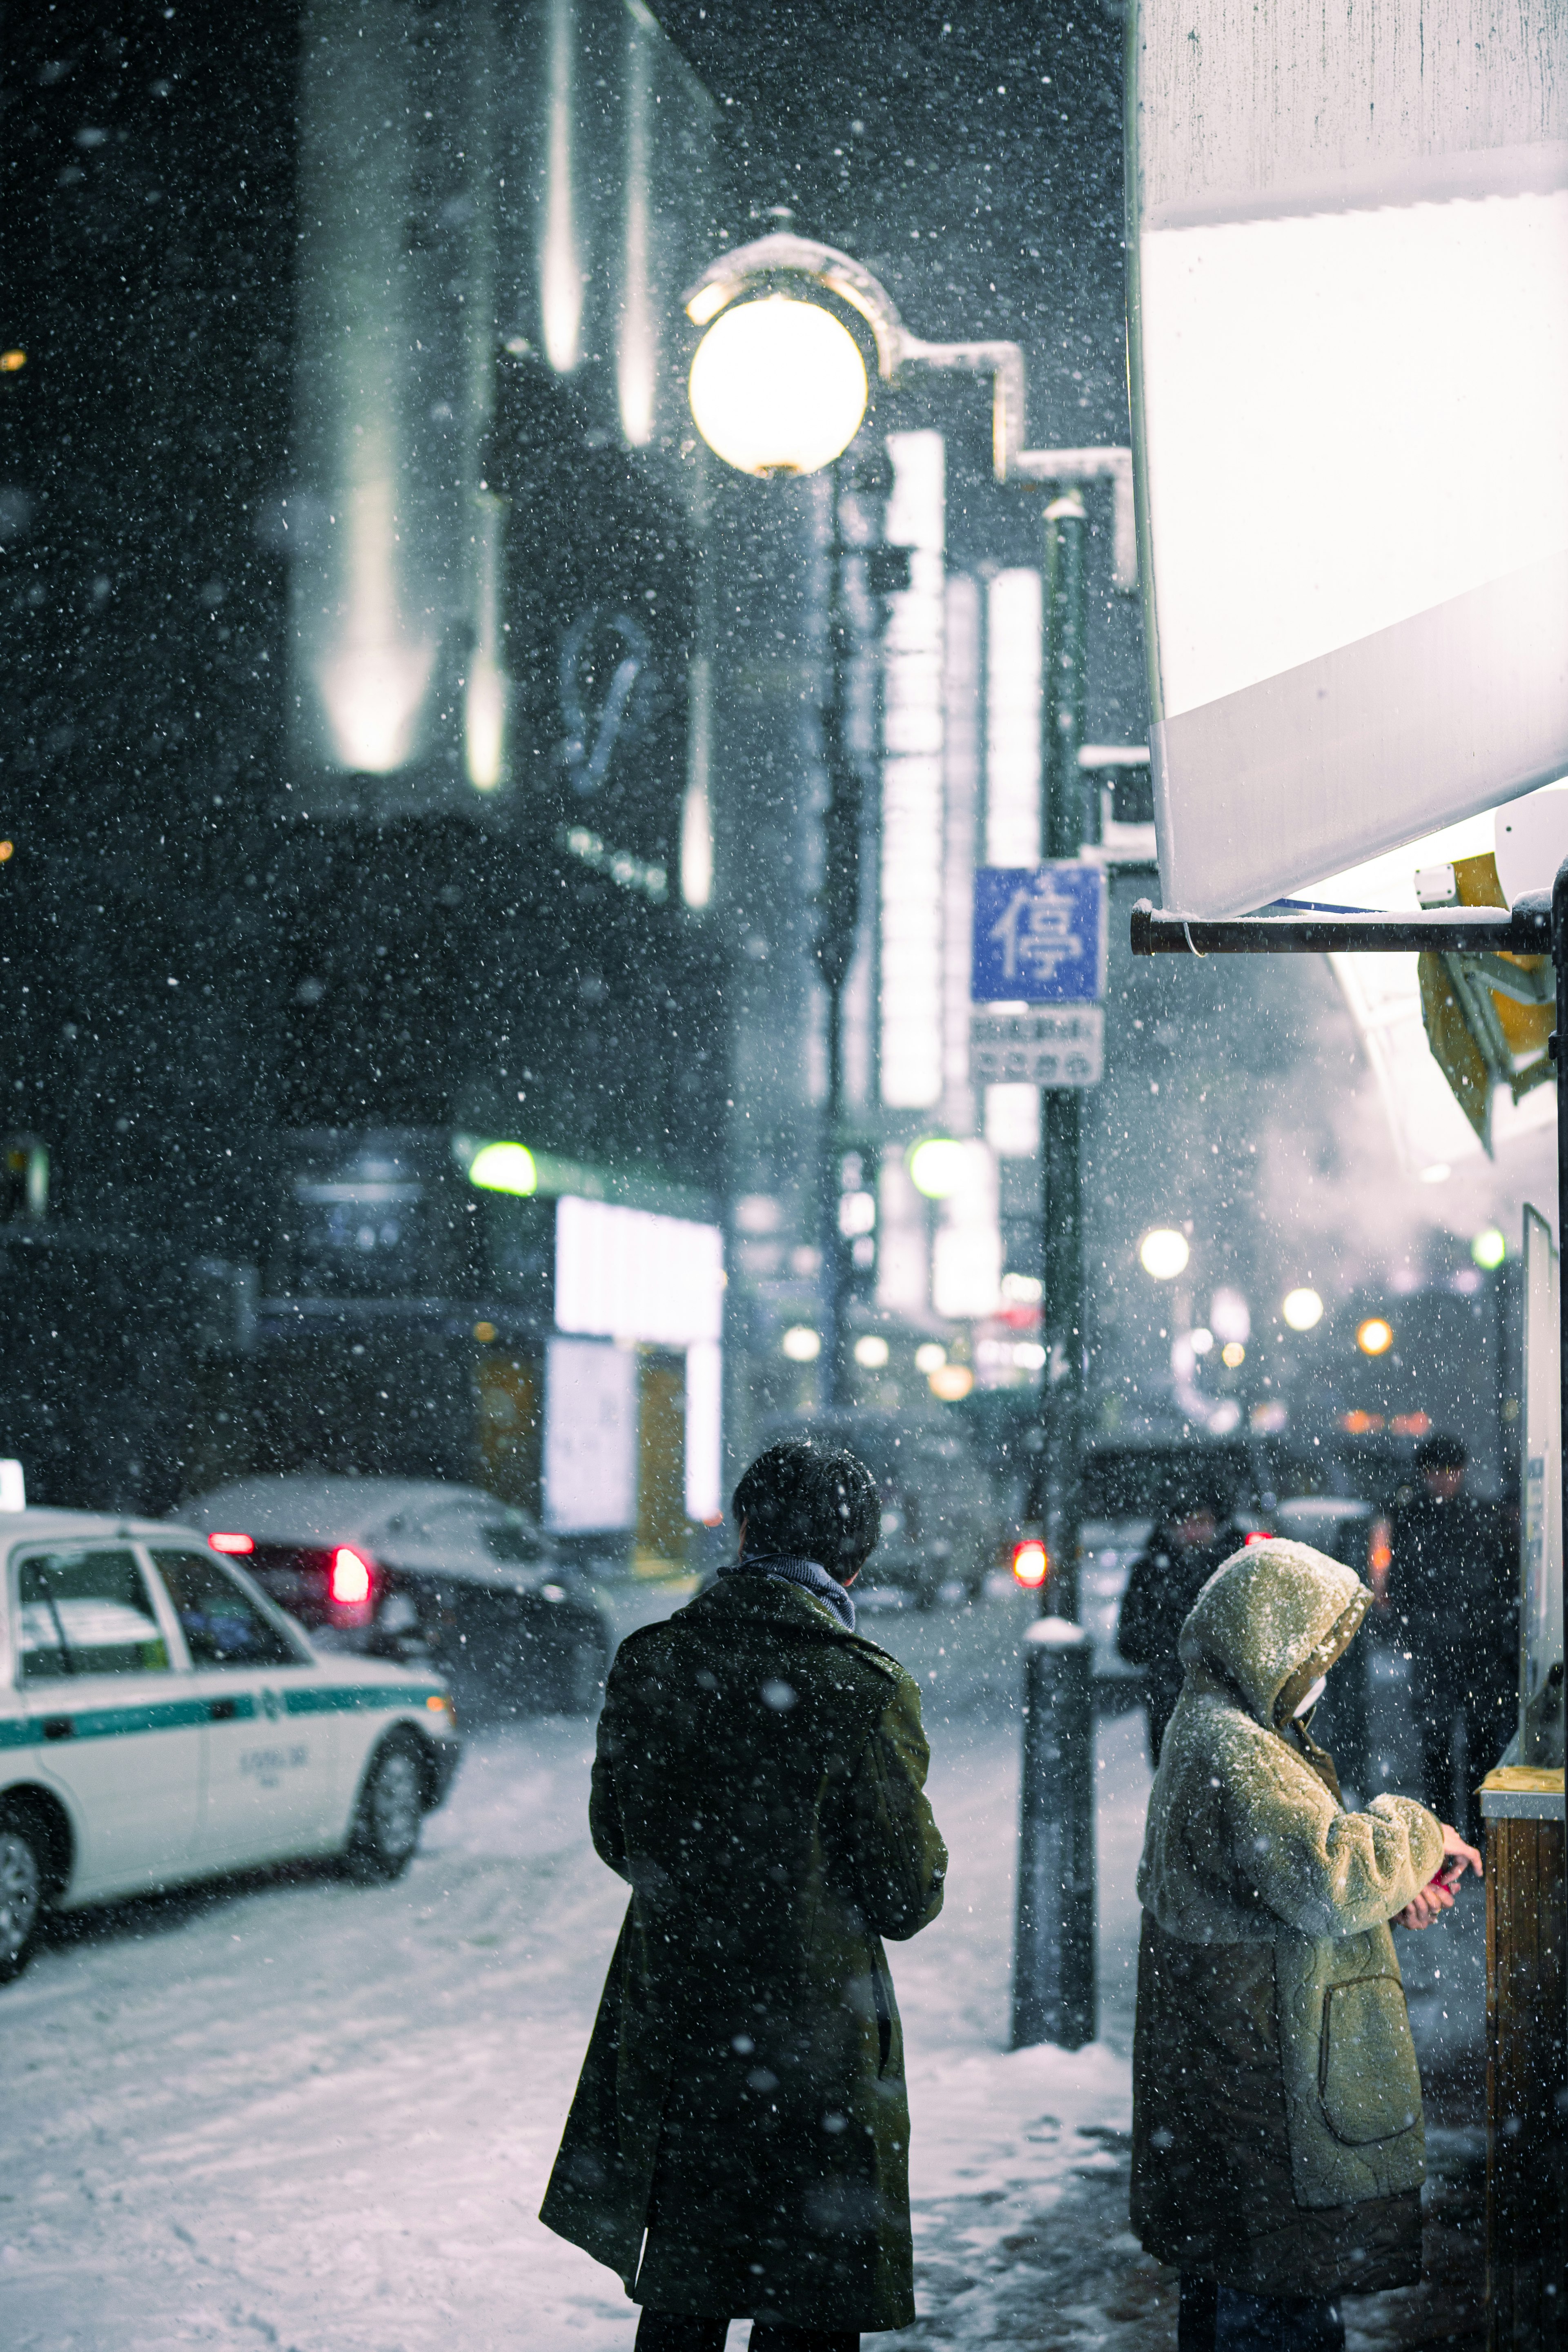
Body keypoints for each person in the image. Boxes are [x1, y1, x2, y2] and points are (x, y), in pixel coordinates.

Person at [540, 1437, 949, 2352]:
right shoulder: (860, 1688)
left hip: (683, 2036)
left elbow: (622, 1840)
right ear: (855, 1558)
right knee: (809, 2308)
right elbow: (906, 1894)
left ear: (744, 1529)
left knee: (685, 2298)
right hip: (819, 2057)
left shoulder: (654, 1663)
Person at [1130, 1536, 1481, 2352]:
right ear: (1272, 1642)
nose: (1324, 1668)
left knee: (1230, 2286)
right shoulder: (1237, 1748)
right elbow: (1329, 1874)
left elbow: (1274, 1885)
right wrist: (1418, 1832)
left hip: (1231, 2070)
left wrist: (1389, 1905)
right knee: (1274, 2295)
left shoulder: (1224, 1727)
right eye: (1318, 1647)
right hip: (1260, 2079)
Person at [1387, 1433, 1517, 1842]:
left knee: (1476, 1744)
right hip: (1447, 1647)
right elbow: (1402, 1581)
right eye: (1435, 1472)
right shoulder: (1418, 1517)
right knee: (1441, 1746)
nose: (1442, 1480)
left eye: (1448, 1472)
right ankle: (1449, 1836)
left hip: (1474, 1647)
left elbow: (1503, 1579)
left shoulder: (1477, 1515)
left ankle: (1471, 1836)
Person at [1117, 1486, 1240, 1764]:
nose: (1192, 1532)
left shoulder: (1237, 1568)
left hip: (1227, 1703)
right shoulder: (1149, 1573)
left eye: (1201, 1522)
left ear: (1217, 1524)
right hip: (1170, 1700)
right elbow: (1128, 1643)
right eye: (1184, 1523)